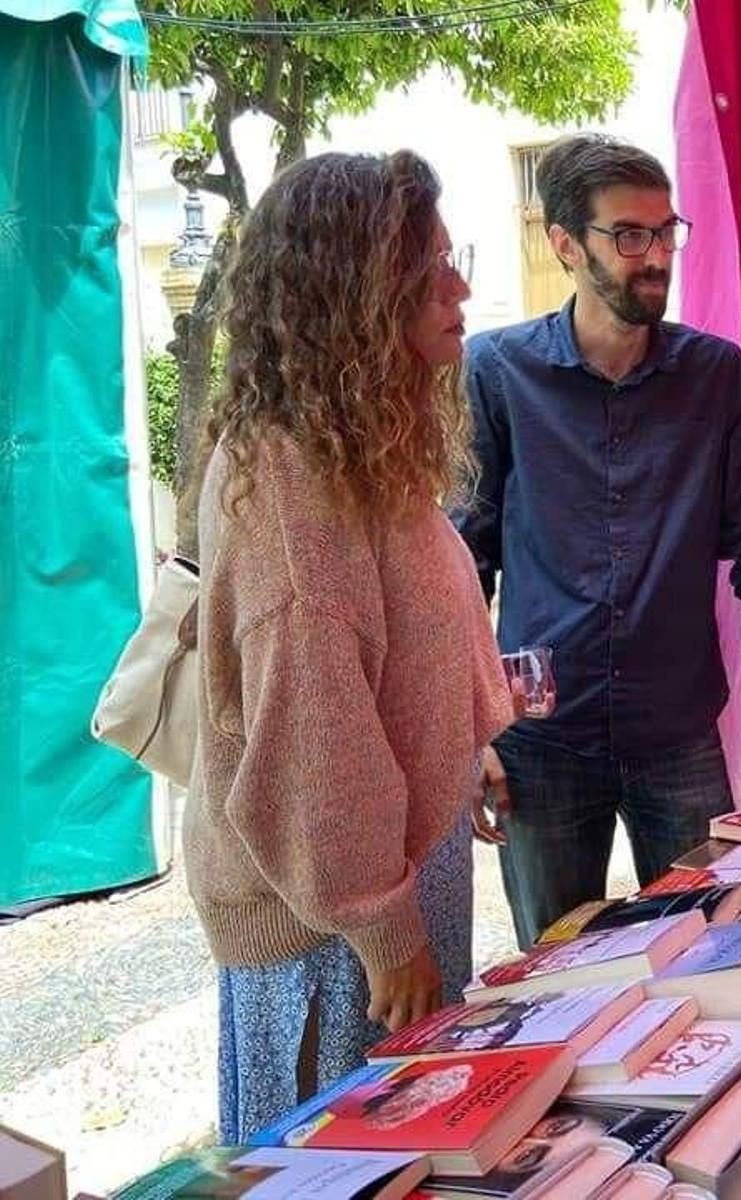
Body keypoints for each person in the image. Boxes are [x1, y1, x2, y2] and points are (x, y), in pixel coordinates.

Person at [188, 150, 514, 1142]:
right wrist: (384, 928)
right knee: (346, 1160)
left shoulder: (350, 444)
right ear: (358, 292)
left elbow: (398, 651)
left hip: (376, 881)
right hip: (330, 924)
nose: (459, 289)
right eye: (431, 267)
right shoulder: (290, 478)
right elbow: (312, 735)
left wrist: (466, 747)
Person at [455, 133, 741, 946]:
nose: (657, 256)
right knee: (556, 970)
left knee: (712, 953)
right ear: (566, 244)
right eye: (630, 235)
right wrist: (468, 732)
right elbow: (465, 564)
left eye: (667, 232)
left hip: (677, 735)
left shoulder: (715, 376)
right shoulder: (496, 371)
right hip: (541, 742)